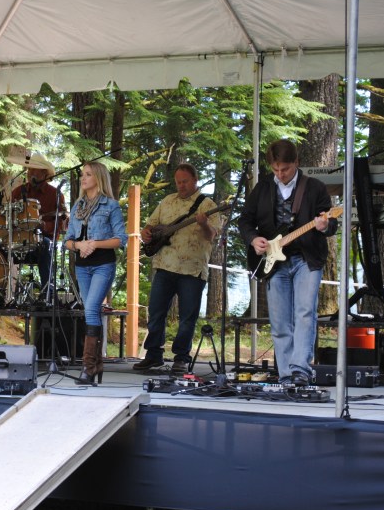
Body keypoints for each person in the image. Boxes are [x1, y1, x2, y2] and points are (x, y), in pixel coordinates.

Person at [239, 139, 337, 386]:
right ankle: (285, 375)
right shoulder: (262, 188)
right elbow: (245, 221)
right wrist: (254, 240)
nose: (280, 174)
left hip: (306, 259)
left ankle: (300, 371)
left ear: (296, 163)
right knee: (280, 320)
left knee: (305, 313)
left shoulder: (314, 188)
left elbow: (330, 221)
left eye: (285, 169)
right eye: (275, 169)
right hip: (274, 263)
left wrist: (326, 225)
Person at [135, 163, 219, 374]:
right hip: (164, 265)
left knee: (187, 317)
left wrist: (203, 224)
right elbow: (150, 226)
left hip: (192, 270)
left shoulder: (207, 204)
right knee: (156, 312)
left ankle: (181, 357)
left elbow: (212, 236)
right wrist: (146, 233)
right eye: (178, 182)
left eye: (185, 182)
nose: (181, 186)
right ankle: (153, 355)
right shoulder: (167, 201)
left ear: (195, 181)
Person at [64, 162, 127, 385]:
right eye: (82, 174)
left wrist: (95, 244)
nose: (83, 178)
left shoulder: (111, 206)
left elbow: (121, 239)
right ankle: (95, 365)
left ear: (98, 178)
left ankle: (88, 367)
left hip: (103, 265)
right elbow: (67, 240)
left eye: (88, 174)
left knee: (91, 308)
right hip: (82, 266)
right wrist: (78, 246)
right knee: (89, 311)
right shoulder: (77, 206)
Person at [10, 153, 67, 292]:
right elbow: (8, 217)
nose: (31, 173)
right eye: (29, 169)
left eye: (35, 169)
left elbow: (60, 224)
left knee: (46, 245)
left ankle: (47, 292)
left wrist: (44, 226)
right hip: (20, 241)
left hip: (42, 242)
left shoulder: (55, 194)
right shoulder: (18, 192)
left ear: (44, 173)